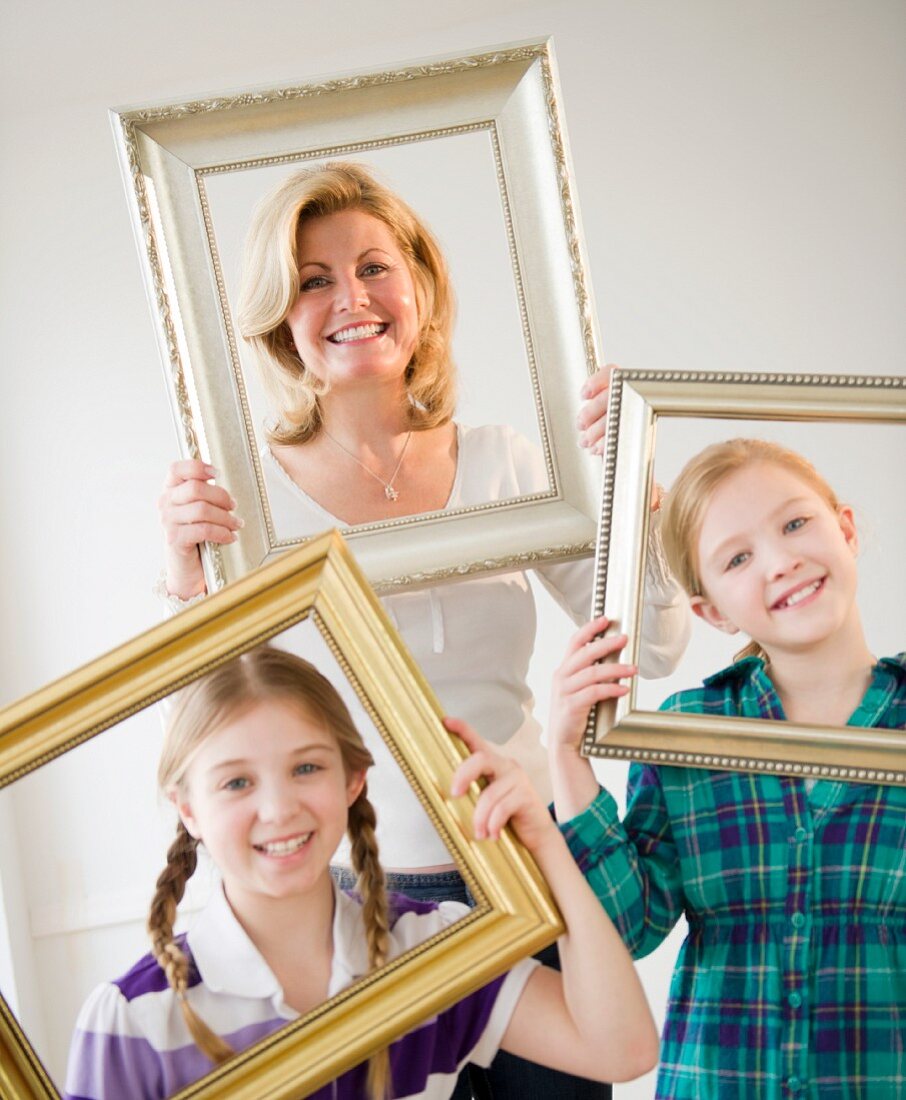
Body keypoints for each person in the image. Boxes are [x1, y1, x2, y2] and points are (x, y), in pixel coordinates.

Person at [157, 161, 689, 1096]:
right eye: (313, 281)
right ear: (283, 320)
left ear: (420, 289)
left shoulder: (505, 463)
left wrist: (633, 490)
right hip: (364, 902)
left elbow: (648, 646)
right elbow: (210, 725)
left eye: (372, 267)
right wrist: (182, 572)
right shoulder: (250, 502)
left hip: (530, 868)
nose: (350, 298)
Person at [63, 646, 658, 1100]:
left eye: (306, 768)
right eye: (237, 782)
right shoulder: (134, 1019)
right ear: (188, 808)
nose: (279, 809)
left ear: (353, 780)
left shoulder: (433, 951)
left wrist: (543, 839)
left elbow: (622, 1049)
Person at [546, 438, 906, 1099]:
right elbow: (630, 927)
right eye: (737, 558)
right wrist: (566, 756)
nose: (781, 561)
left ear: (845, 528)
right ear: (710, 610)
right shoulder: (689, 730)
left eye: (795, 523)